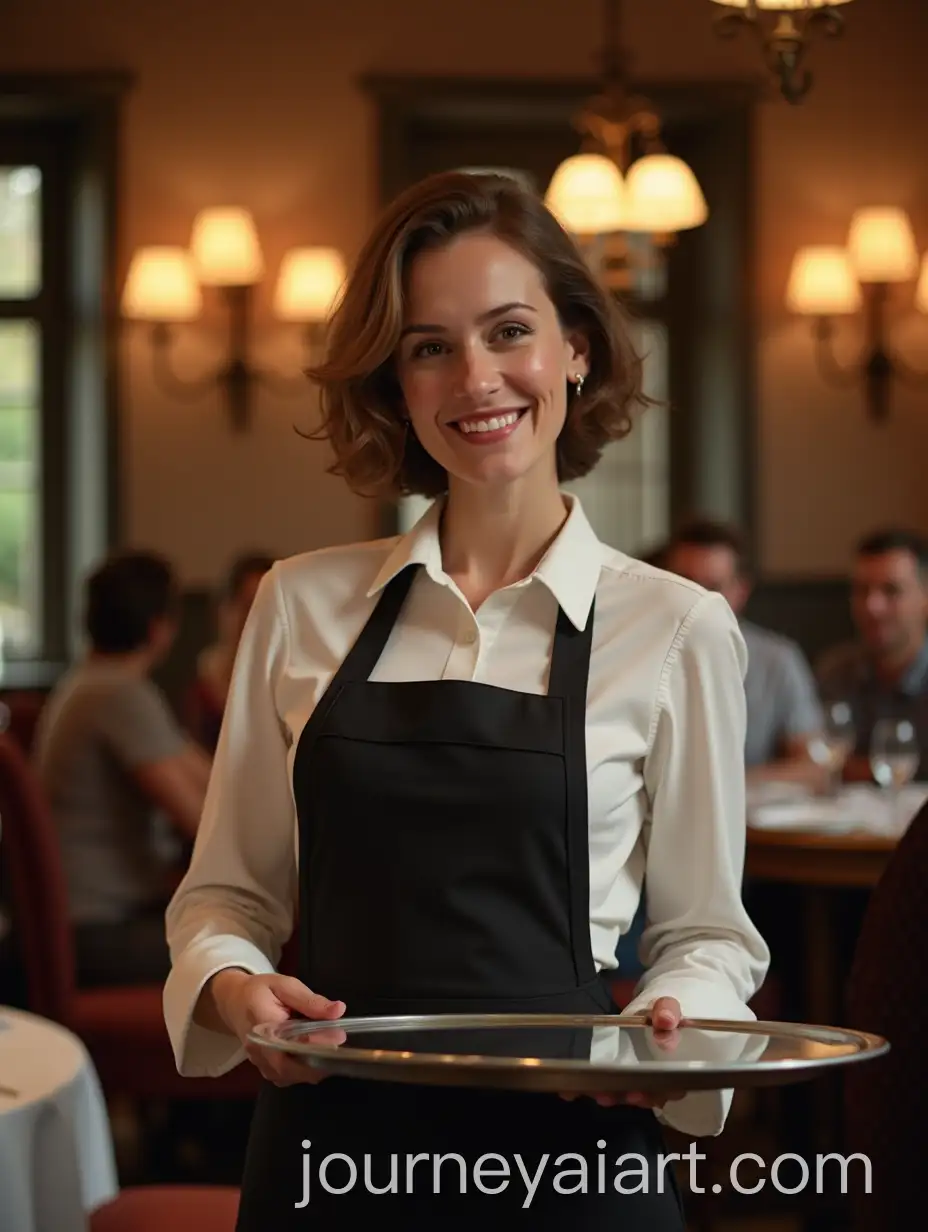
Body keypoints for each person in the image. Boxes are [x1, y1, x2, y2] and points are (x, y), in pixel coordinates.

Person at [163, 171, 769, 1228]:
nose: (475, 377)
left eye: (509, 331)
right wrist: (231, 988)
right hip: (332, 1155)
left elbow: (710, 933)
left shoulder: (676, 626)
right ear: (395, 382)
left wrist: (680, 1015)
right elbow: (225, 899)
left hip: (572, 1155)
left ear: (576, 348)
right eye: (430, 345)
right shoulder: (300, 604)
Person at [34, 551, 211, 986]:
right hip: (96, 929)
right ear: (159, 628)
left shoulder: (94, 682)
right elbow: (201, 819)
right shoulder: (117, 694)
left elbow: (207, 775)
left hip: (80, 921)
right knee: (248, 948)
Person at [662, 518, 825, 789]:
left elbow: (813, 767)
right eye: (684, 585)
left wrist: (723, 790)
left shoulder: (777, 660)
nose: (697, 602)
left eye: (713, 589)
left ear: (741, 592)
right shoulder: (639, 654)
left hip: (749, 822)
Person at [817, 528, 928, 782]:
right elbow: (818, 763)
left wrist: (859, 768)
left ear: (925, 597)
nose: (872, 606)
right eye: (861, 590)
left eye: (891, 590)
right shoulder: (835, 671)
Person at [185, 552, 274, 750]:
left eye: (263, 608)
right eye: (246, 605)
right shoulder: (204, 674)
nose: (252, 618)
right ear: (225, 609)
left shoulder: (291, 677)